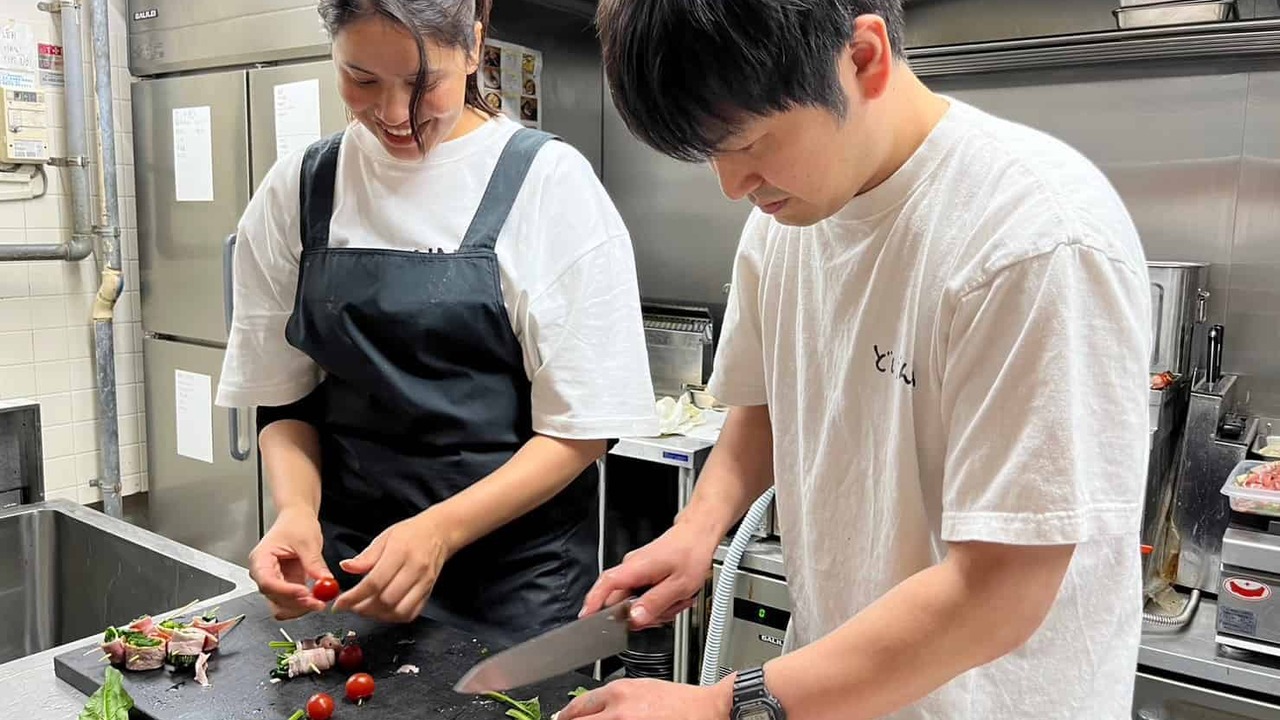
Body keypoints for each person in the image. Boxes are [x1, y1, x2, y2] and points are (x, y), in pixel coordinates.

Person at [563, 1, 1149, 718]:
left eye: (746, 143)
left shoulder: (1032, 240)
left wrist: (720, 707)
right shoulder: (782, 225)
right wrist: (696, 530)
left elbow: (1000, 592)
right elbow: (765, 410)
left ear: (863, 58)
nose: (731, 185)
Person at [215, 0, 658, 645]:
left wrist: (438, 531)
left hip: (511, 588)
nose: (393, 114)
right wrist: (295, 512)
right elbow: (285, 400)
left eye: (424, 83)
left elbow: (580, 431)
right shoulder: (300, 188)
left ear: (475, 48)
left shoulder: (548, 185)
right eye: (361, 78)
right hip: (351, 574)